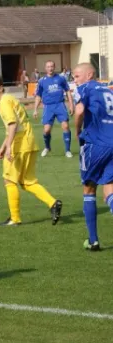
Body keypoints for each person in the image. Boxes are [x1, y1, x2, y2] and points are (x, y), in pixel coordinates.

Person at [0, 75, 63, 226]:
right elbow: (13, 126)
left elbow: (13, 125)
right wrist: (3, 146)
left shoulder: (4, 102)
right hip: (29, 142)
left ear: (1, 87)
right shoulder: (10, 99)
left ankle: (15, 218)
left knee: (9, 180)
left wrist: (8, 148)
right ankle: (53, 203)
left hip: (19, 145)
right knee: (27, 181)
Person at [72, 63, 113, 251]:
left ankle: (93, 240)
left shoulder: (84, 88)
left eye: (77, 75)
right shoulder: (109, 91)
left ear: (90, 74)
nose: (75, 79)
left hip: (95, 144)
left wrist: (78, 131)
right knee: (109, 190)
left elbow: (79, 111)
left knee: (89, 190)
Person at [33, 61, 75, 158]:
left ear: (54, 67)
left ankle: (67, 150)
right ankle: (47, 147)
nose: (50, 68)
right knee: (46, 130)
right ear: (45, 68)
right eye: (48, 67)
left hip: (60, 105)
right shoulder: (42, 81)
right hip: (48, 107)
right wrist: (35, 109)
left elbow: (68, 91)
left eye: (52, 66)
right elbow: (38, 96)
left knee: (65, 126)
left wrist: (71, 105)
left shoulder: (61, 78)